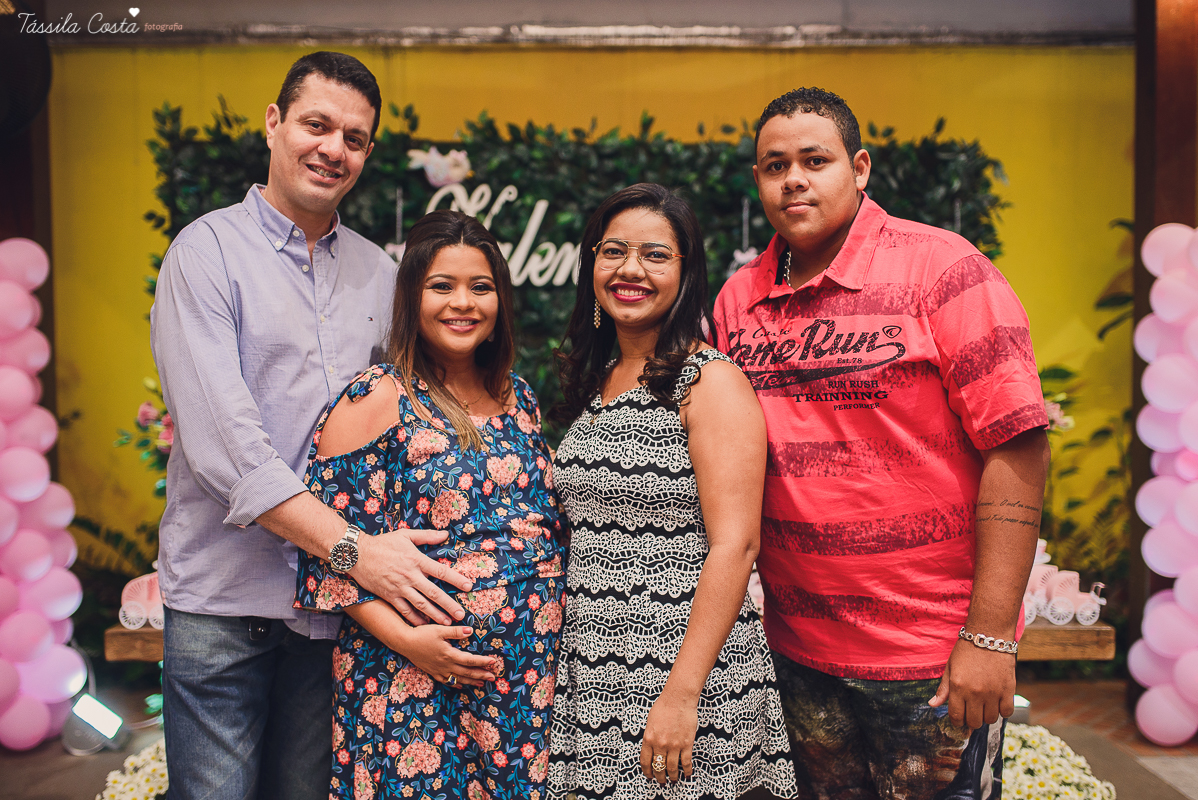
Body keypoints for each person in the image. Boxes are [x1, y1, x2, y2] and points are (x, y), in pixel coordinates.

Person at [150, 53, 474, 799]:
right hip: (224, 604)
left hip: (333, 617)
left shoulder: (381, 274)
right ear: (274, 123)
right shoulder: (206, 255)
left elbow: (406, 436)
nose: (334, 148)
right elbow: (227, 455)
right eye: (316, 125)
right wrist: (358, 553)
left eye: (354, 138)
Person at [712, 87, 1050, 799]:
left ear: (859, 168)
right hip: (799, 652)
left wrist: (989, 637)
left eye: (815, 160)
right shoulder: (736, 301)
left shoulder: (945, 269)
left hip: (930, 656)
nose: (794, 178)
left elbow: (1017, 447)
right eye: (775, 165)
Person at [293, 209, 567, 800]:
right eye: (441, 286)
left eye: (481, 287)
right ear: (411, 297)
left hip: (522, 689)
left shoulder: (518, 396)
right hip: (409, 685)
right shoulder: (376, 397)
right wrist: (410, 642)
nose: (462, 303)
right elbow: (327, 557)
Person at [548, 183, 798, 800]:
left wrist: (682, 694)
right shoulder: (601, 376)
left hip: (682, 674)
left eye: (656, 255)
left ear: (686, 274)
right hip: (594, 671)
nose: (630, 269)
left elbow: (736, 545)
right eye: (614, 251)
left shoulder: (709, 380)